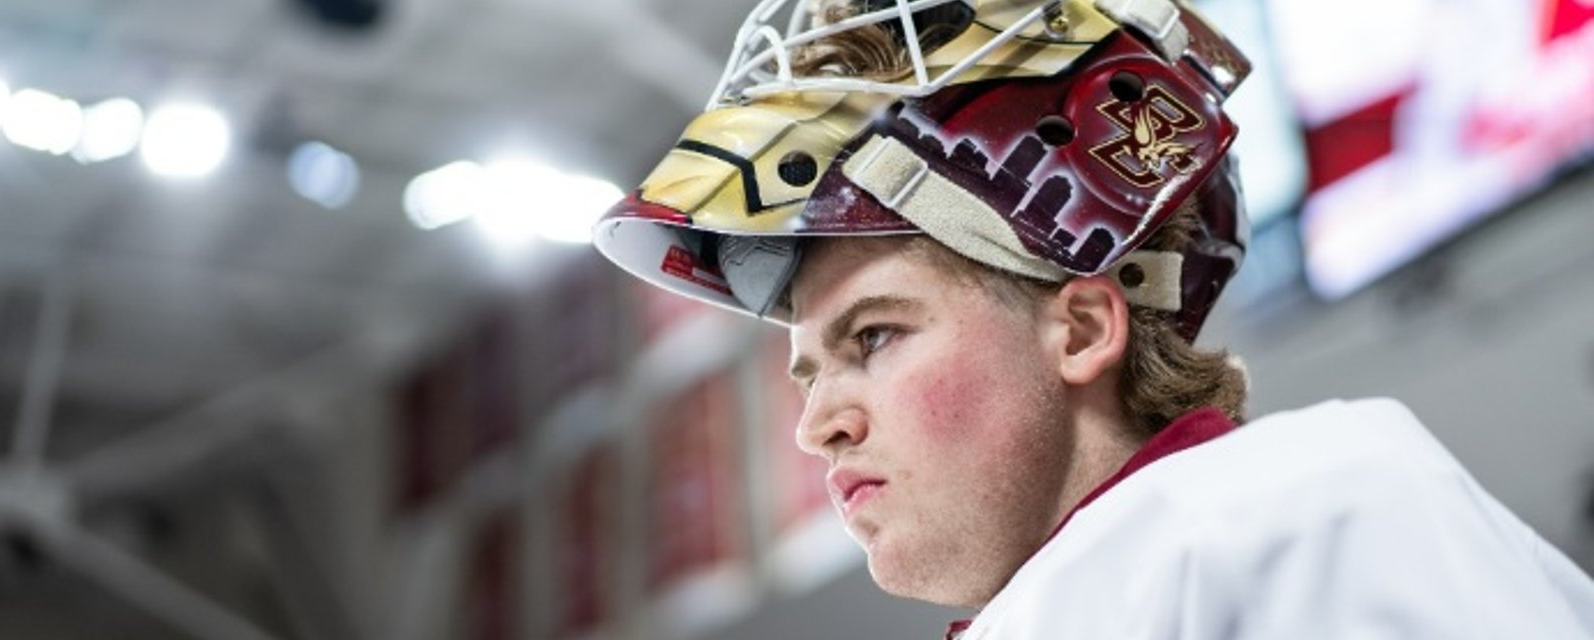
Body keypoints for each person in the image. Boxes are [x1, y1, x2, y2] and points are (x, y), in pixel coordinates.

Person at [592, 0, 1594, 637]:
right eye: (809, 371)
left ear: (1078, 329)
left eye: (875, 336)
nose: (818, 424)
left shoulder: (1296, 511)